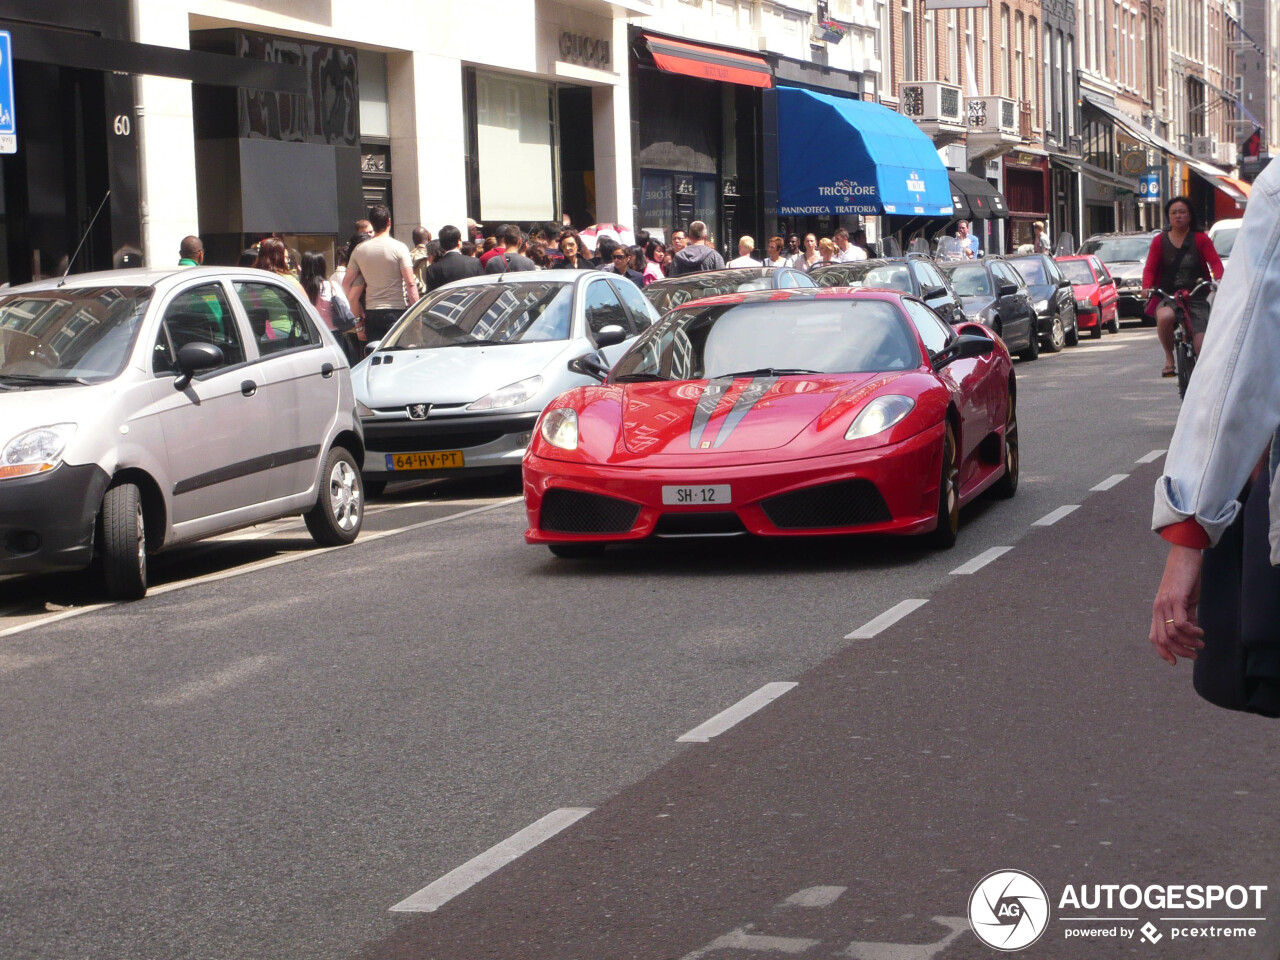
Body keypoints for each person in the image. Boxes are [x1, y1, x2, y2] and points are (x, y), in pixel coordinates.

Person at [1149, 158, 1280, 698]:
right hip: (1169, 301)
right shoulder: (1162, 243)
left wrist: (1192, 529)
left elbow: (1247, 344)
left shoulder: (1258, 201)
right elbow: (1152, 275)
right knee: (1164, 321)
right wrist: (1158, 295)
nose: (1179, 216)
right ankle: (1165, 356)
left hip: (1203, 295)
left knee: (1213, 342)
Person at [1142, 195, 1225, 377]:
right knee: (1164, 317)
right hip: (1169, 296)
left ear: (1189, 216)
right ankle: (1169, 358)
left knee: (1201, 345)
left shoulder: (1200, 239)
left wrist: (1218, 279)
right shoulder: (1159, 241)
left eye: (1182, 212)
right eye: (1173, 213)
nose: (1178, 216)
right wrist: (1147, 287)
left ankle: (1203, 378)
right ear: (1168, 217)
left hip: (1197, 295)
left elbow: (1216, 263)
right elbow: (1150, 267)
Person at [342, 204, 418, 342]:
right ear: (389, 221)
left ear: (372, 223)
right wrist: (417, 315)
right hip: (396, 310)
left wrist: (358, 319)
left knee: (376, 358)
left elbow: (346, 283)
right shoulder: (400, 248)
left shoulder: (359, 249)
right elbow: (410, 283)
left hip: (372, 312)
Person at [300, 251, 360, 364]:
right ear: (322, 266)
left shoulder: (300, 288)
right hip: (332, 335)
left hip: (308, 337)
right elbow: (346, 307)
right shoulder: (331, 286)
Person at [423, 223, 484, 292]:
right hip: (470, 301)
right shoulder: (474, 263)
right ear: (459, 241)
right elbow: (482, 289)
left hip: (445, 302)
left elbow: (431, 295)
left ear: (441, 244)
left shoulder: (433, 269)